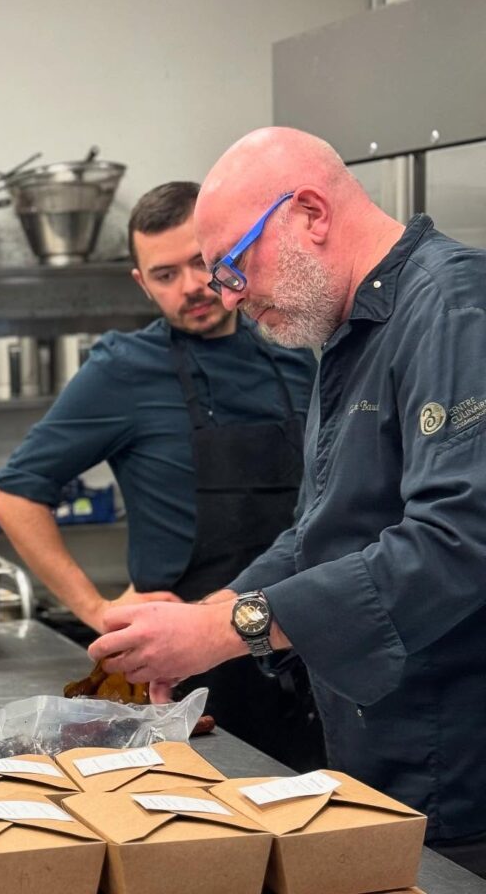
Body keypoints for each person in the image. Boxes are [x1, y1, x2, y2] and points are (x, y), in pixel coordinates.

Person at [88, 126, 486, 878]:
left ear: (310, 212)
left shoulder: (456, 311)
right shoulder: (349, 334)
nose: (229, 294)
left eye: (234, 266)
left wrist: (234, 630)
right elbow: (320, 532)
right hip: (378, 752)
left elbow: (458, 543)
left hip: (458, 765)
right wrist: (204, 615)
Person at [0, 181, 324, 770]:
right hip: (185, 673)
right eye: (165, 274)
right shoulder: (124, 368)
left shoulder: (290, 348)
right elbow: (14, 499)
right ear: (142, 283)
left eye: (201, 262)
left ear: (229, 250)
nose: (192, 286)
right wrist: (97, 611)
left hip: (298, 646)